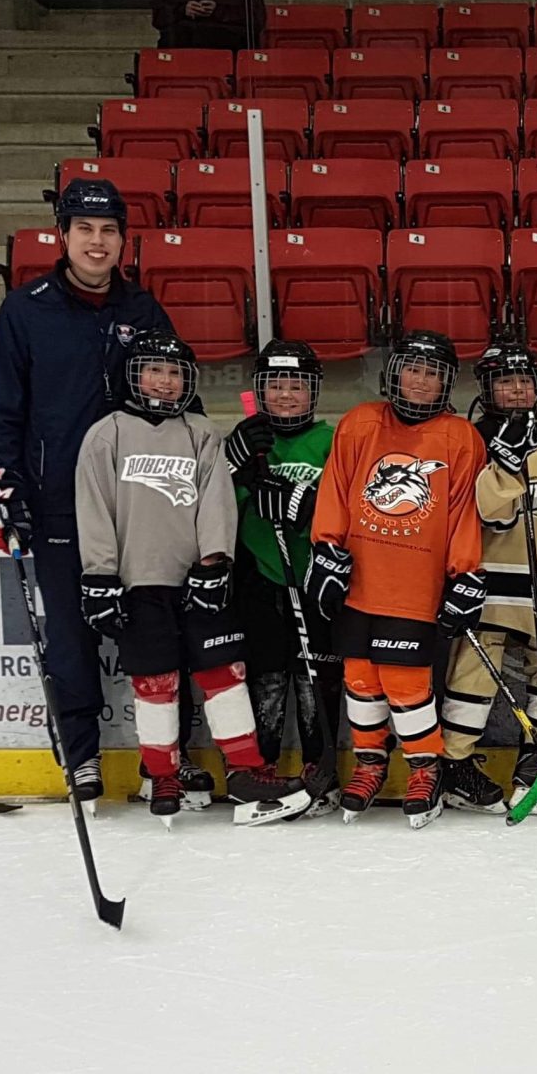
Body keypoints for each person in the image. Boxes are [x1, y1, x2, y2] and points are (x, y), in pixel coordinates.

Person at [0, 176, 173, 801]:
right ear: (63, 236)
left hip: (136, 501)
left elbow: (175, 390)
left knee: (154, 632)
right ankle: (82, 755)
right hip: (56, 498)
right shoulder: (25, 309)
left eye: (108, 231)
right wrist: (4, 483)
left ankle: (162, 759)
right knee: (69, 633)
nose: (97, 242)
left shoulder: (142, 311)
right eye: (84, 230)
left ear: (123, 241)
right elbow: (3, 407)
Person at [75, 334, 308, 824]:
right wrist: (100, 575)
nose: (166, 380)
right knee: (155, 682)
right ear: (134, 375)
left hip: (200, 579)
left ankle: (245, 771)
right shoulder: (107, 433)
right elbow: (94, 510)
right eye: (155, 370)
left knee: (224, 676)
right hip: (140, 582)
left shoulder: (201, 433)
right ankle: (162, 775)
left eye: (176, 372)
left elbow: (216, 503)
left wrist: (215, 562)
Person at [307, 330, 488, 828]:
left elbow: (463, 513)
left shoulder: (459, 437)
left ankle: (425, 769)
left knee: (406, 683)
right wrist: (326, 549)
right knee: (361, 679)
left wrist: (465, 574)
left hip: (415, 585)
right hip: (361, 581)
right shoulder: (360, 423)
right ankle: (369, 763)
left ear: (447, 382)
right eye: (414, 369)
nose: (422, 381)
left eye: (434, 373)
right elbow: (338, 489)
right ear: (395, 373)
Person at [435, 344, 537, 814]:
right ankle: (453, 766)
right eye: (505, 381)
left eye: (525, 381)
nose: (517, 389)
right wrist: (503, 462)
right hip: (487, 585)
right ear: (487, 388)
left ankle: (536, 766)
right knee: (474, 673)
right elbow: (487, 514)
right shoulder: (469, 441)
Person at [224, 338, 343, 814]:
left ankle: (322, 769)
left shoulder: (332, 439)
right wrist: (236, 469)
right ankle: (261, 770)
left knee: (316, 677)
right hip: (259, 574)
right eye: (276, 385)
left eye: (297, 385)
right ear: (260, 390)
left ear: (313, 391)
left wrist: (300, 504)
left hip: (315, 577)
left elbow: (345, 506)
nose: (287, 395)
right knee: (267, 677)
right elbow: (213, 511)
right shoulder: (248, 439)